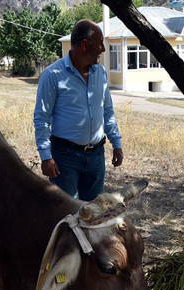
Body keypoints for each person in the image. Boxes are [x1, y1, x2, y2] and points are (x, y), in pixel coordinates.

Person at [33, 19, 124, 201]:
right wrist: (45, 156)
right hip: (65, 159)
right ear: (85, 44)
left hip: (96, 157)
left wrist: (117, 143)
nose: (103, 49)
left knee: (93, 213)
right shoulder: (53, 75)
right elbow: (42, 118)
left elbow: (107, 111)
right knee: (66, 215)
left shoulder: (101, 73)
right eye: (100, 44)